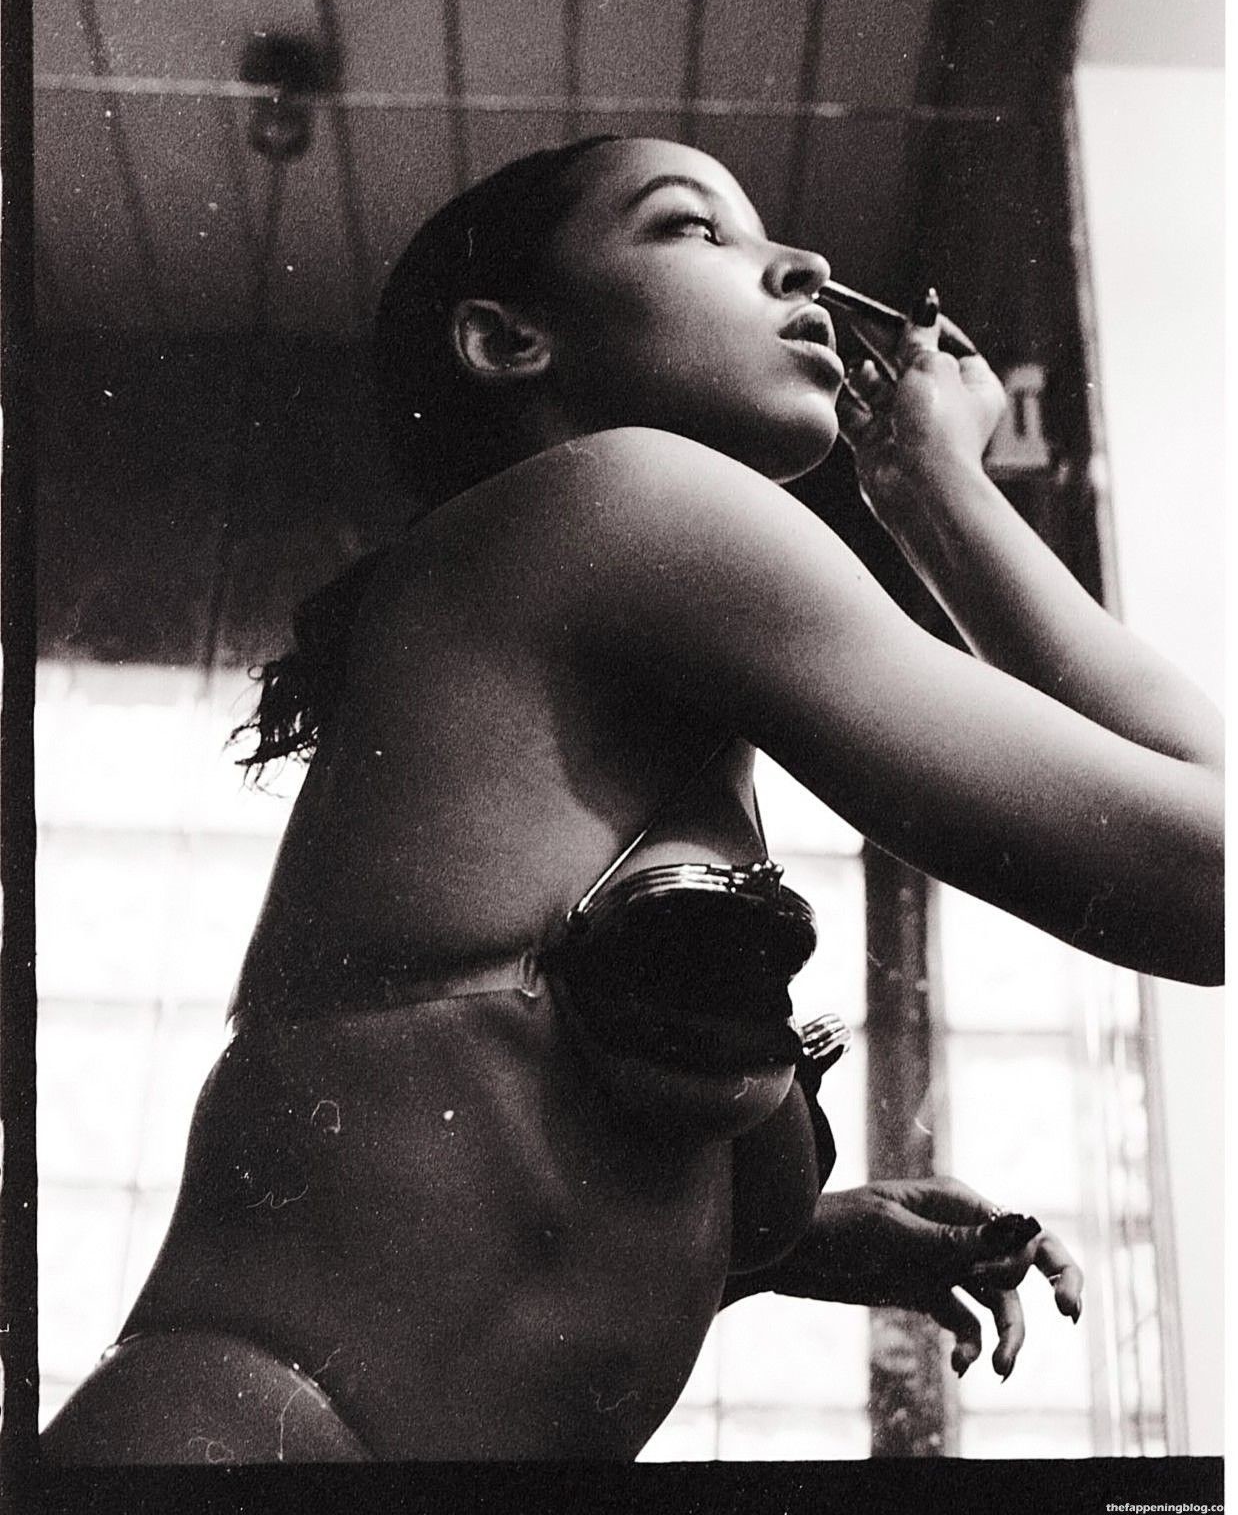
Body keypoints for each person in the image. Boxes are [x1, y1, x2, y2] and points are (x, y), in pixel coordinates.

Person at [42, 134, 1220, 1464]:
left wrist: (791, 1242)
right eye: (693, 227)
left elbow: (462, 1178)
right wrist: (941, 493)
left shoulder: (584, 649)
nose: (804, 264)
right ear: (506, 342)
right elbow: (1208, 874)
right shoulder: (633, 500)